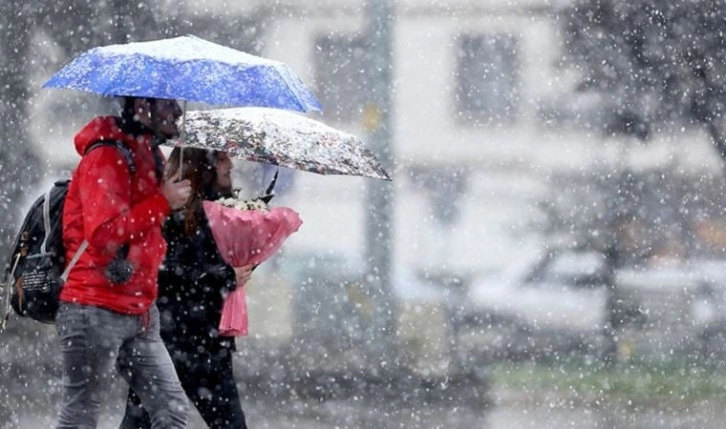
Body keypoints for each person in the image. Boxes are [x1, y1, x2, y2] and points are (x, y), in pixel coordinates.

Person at [58, 96, 192, 428]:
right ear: (141, 106)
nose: (178, 111)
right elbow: (105, 234)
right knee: (81, 415)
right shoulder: (107, 154)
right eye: (167, 104)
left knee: (172, 412)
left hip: (141, 310)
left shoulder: (149, 154)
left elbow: (149, 230)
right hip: (94, 307)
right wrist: (162, 202)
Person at [120, 147, 254, 429]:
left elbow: (212, 269)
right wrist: (225, 277)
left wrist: (244, 264)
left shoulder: (225, 210)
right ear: (202, 165)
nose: (229, 163)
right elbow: (168, 273)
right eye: (220, 157)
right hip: (171, 340)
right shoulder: (174, 212)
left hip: (208, 343)